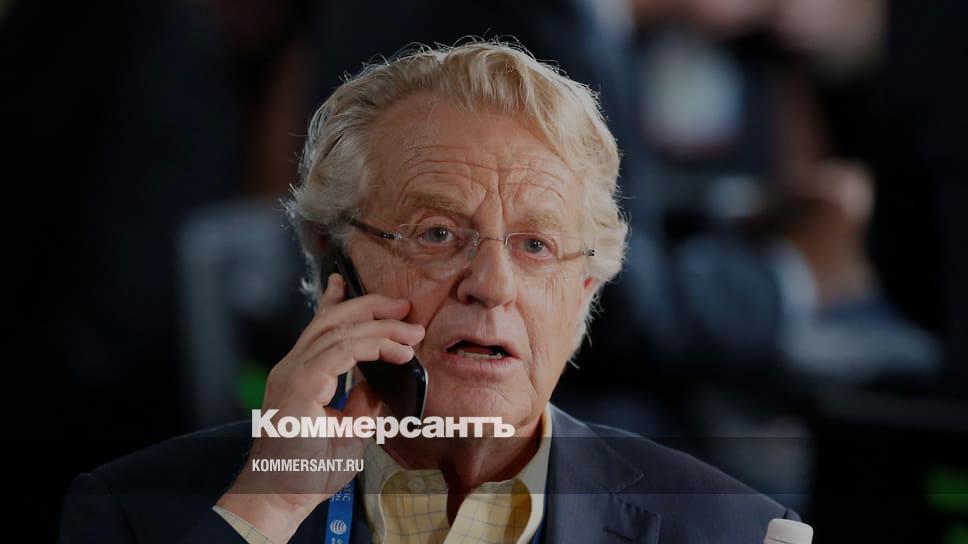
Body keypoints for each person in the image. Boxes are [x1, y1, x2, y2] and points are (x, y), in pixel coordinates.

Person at [60, 41, 798, 543]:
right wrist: (272, 504)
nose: (493, 285)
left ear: (581, 295)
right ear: (338, 269)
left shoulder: (738, 533)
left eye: (535, 245)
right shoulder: (134, 514)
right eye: (438, 234)